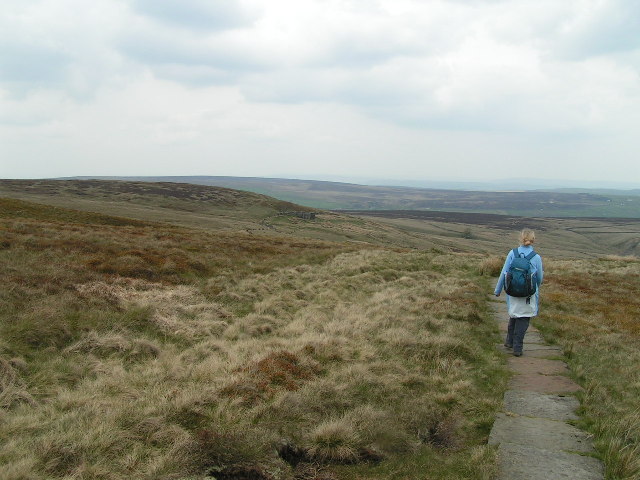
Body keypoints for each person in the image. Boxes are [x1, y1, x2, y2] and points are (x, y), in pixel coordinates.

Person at [494, 228, 543, 357]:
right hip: (528, 295)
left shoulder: (512, 253)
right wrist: (535, 289)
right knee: (523, 319)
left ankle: (509, 342)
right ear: (533, 240)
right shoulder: (536, 257)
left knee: (514, 316)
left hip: (512, 293)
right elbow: (539, 278)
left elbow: (504, 273)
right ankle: (517, 348)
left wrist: (498, 290)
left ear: (520, 239)